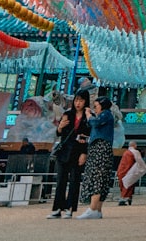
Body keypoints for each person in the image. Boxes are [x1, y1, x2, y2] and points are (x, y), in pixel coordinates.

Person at [47, 89, 91, 219]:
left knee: (74, 181)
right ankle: (57, 208)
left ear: (86, 101)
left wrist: (85, 153)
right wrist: (60, 127)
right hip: (64, 151)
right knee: (61, 181)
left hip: (78, 152)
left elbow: (89, 136)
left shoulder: (88, 117)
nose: (78, 103)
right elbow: (59, 134)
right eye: (76, 100)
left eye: (81, 100)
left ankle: (70, 207)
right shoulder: (67, 114)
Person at [77, 96, 115, 219]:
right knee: (100, 176)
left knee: (97, 175)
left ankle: (93, 208)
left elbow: (95, 122)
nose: (95, 109)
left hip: (100, 148)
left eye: (96, 106)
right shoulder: (105, 115)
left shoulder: (106, 114)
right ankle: (97, 209)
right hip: (98, 147)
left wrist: (88, 115)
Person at [116, 140, 146, 206]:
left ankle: (124, 198)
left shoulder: (126, 152)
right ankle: (125, 198)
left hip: (121, 171)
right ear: (134, 145)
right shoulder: (135, 152)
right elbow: (140, 161)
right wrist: (143, 169)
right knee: (129, 185)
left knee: (123, 185)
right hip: (129, 171)